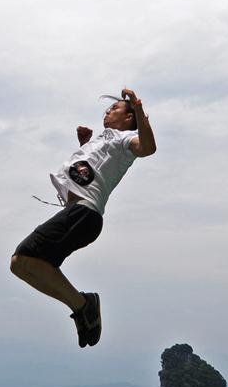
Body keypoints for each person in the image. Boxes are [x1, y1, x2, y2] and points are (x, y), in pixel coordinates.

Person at [10, 87, 156, 348]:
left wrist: (138, 107)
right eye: (108, 108)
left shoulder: (124, 140)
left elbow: (147, 147)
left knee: (24, 258)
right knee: (22, 266)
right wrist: (85, 144)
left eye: (116, 109)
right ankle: (82, 308)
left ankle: (84, 305)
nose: (109, 110)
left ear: (129, 119)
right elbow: (92, 169)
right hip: (77, 214)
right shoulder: (103, 140)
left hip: (84, 213)